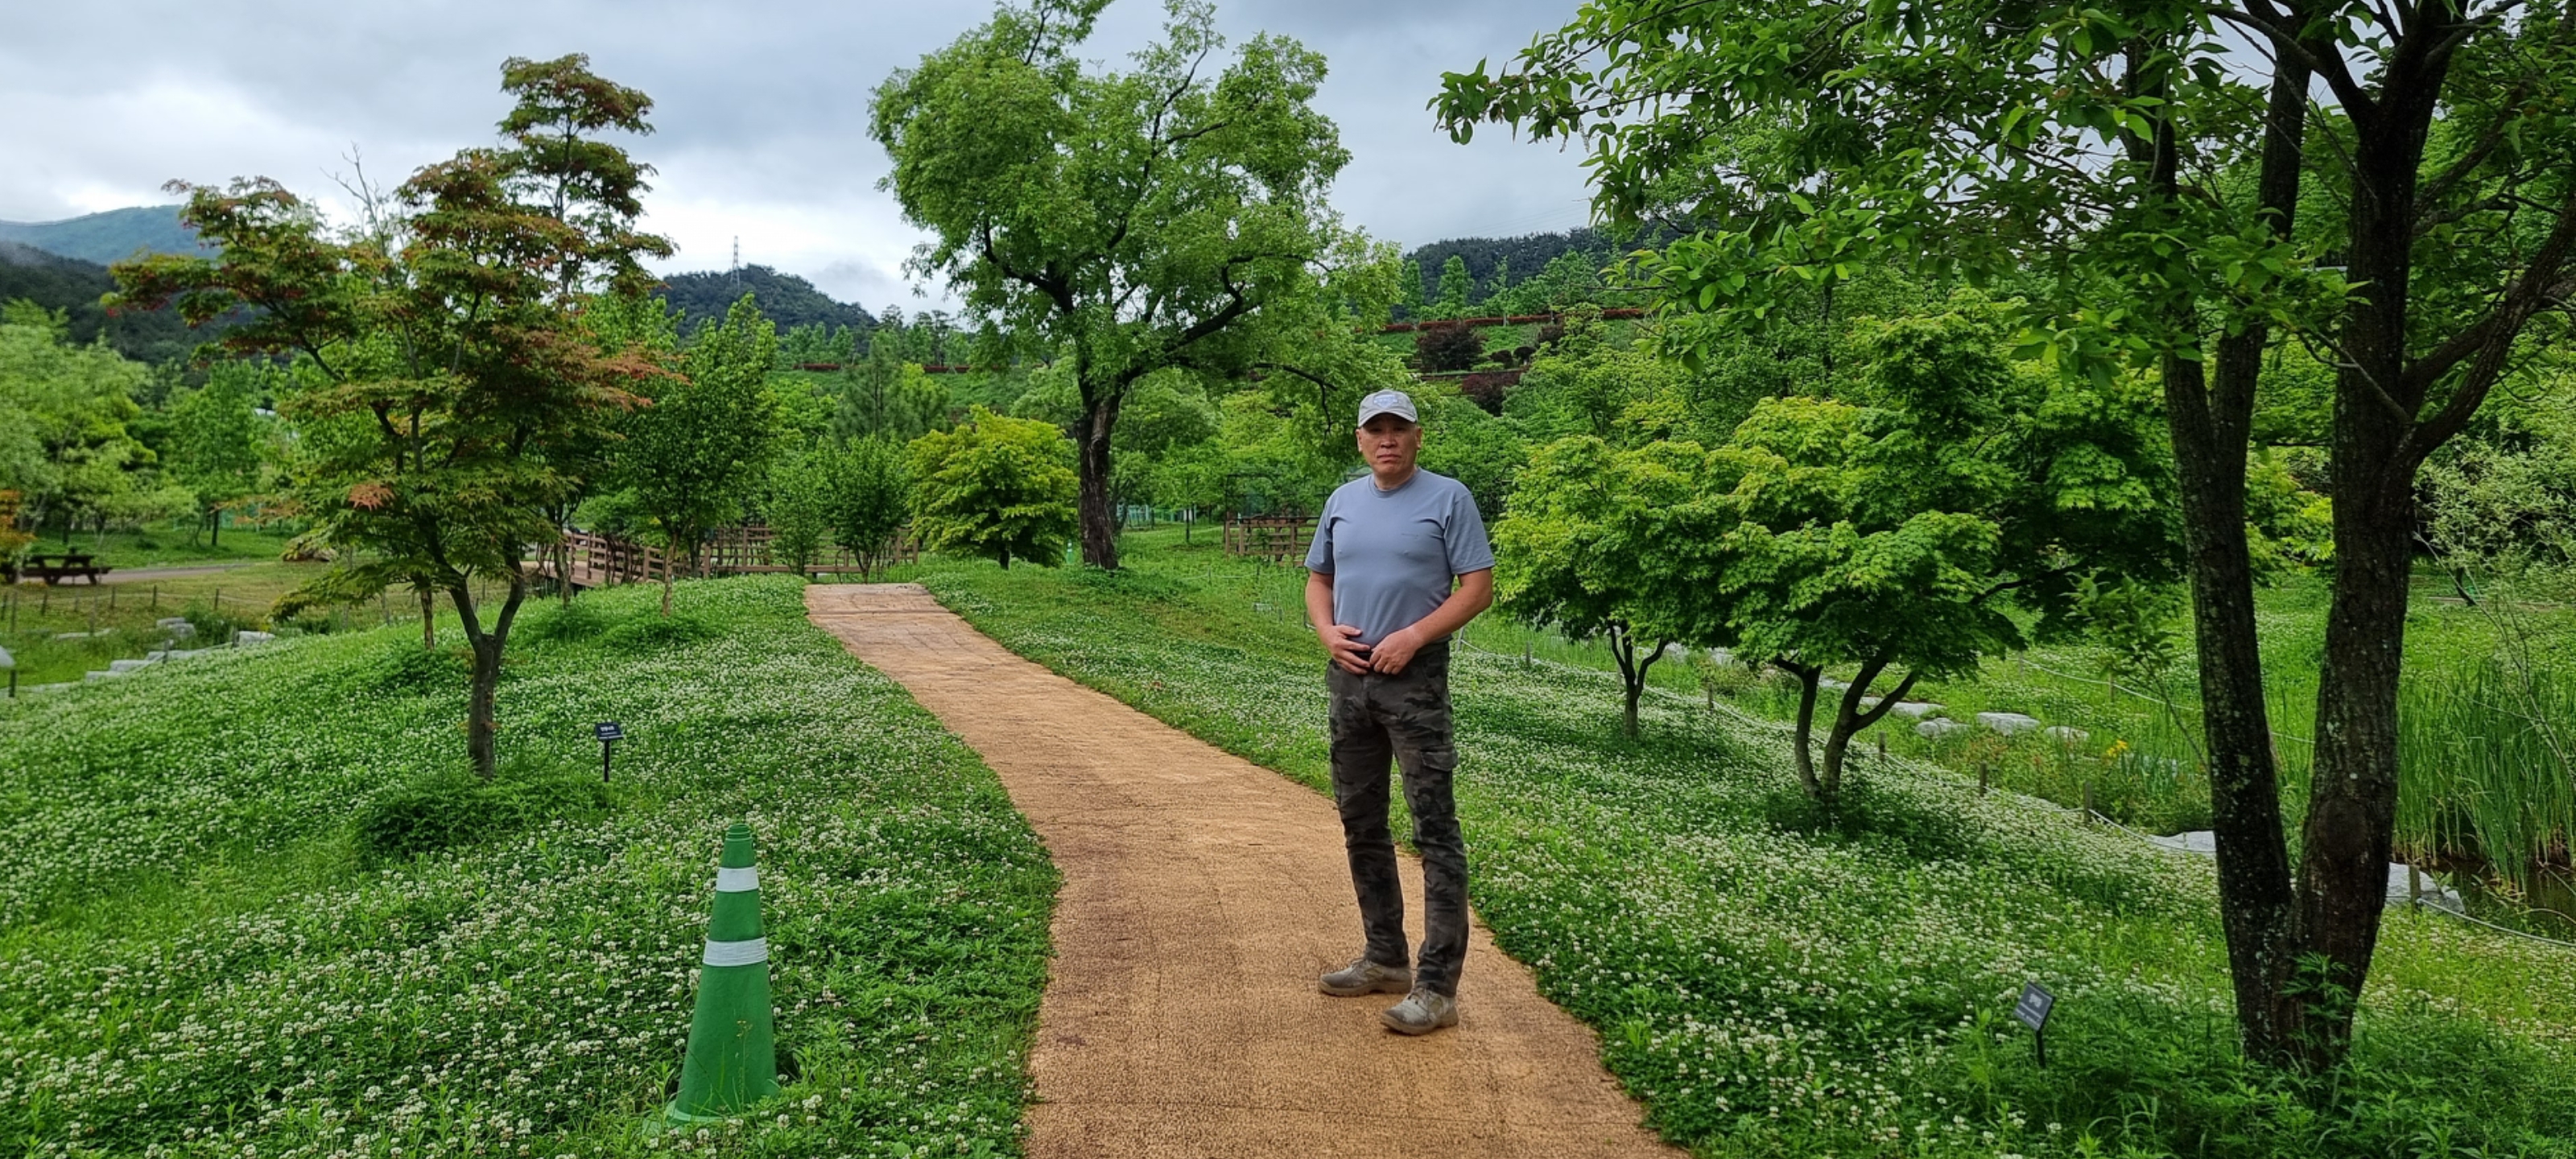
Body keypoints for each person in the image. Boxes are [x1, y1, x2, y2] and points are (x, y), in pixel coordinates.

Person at [1301, 388, 1494, 1035]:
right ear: (1360, 439)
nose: (1387, 439)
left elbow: (1478, 589)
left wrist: (1414, 635)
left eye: (1398, 428)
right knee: (1361, 822)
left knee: (1434, 828)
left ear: (1416, 437)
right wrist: (1327, 633)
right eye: (1375, 429)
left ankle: (1437, 988)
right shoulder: (1342, 501)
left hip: (1415, 682)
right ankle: (1384, 958)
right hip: (1350, 680)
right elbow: (1319, 579)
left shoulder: (1449, 498)